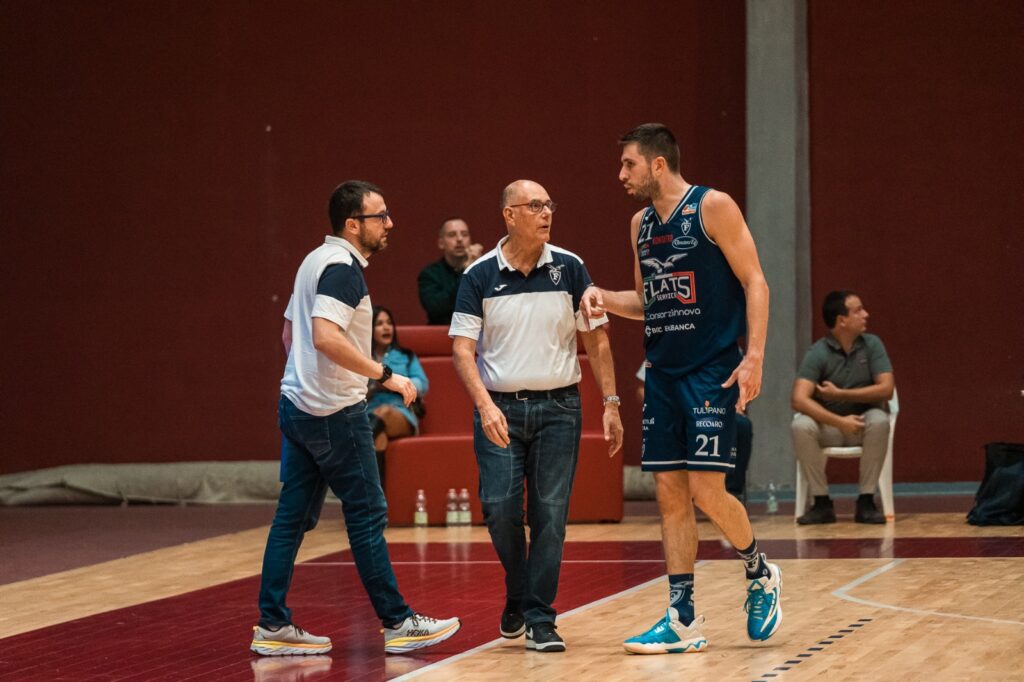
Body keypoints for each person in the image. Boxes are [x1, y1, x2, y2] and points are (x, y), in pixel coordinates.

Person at [581, 123, 782, 653]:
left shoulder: (713, 206)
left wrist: (755, 355)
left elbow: (755, 280)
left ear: (658, 165)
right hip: (663, 376)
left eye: (628, 164)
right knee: (670, 496)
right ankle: (682, 616)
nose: (621, 174)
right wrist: (603, 297)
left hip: (711, 371)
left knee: (706, 491)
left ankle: (760, 572)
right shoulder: (639, 226)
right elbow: (649, 302)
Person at [251, 180, 460, 657]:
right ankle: (399, 621)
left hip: (297, 406)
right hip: (335, 414)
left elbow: (290, 334)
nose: (390, 224)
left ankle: (272, 624)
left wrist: (305, 381)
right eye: (380, 216)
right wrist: (383, 374)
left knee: (291, 519)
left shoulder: (312, 261)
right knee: (367, 514)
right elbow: (323, 336)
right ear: (353, 224)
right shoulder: (343, 268)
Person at [450, 180, 624, 653]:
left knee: (550, 515)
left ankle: (541, 618)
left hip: (560, 409)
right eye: (535, 205)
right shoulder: (479, 275)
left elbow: (598, 338)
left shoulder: (570, 268)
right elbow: (463, 351)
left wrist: (611, 403)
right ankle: (519, 592)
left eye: (550, 204)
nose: (546, 213)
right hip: (500, 408)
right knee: (500, 509)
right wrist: (484, 405)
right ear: (509, 215)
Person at [791, 290, 894, 525]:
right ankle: (821, 502)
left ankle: (867, 500)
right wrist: (839, 422)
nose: (865, 314)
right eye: (858, 310)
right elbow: (798, 399)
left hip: (862, 425)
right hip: (831, 428)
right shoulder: (817, 353)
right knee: (800, 425)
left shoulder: (872, 345)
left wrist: (841, 394)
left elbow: (886, 389)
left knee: (879, 420)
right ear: (842, 320)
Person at [637, 361, 752, 500]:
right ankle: (681, 491)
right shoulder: (663, 345)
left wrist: (739, 403)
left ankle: (732, 492)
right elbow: (642, 389)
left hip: (717, 408)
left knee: (741, 424)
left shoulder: (725, 345)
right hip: (677, 409)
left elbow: (744, 385)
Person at [367, 306, 428, 480]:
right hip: (369, 410)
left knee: (384, 411)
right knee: (379, 439)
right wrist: (373, 387)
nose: (386, 328)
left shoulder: (406, 356)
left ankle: (353, 450)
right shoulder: (362, 358)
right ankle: (379, 502)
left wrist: (395, 384)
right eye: (379, 324)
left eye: (389, 323)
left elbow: (422, 385)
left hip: (400, 412)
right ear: (369, 329)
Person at [417, 217, 483, 325]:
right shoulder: (429, 274)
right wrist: (466, 272)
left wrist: (478, 267)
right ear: (441, 243)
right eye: (452, 235)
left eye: (464, 234)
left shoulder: (482, 270)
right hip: (442, 335)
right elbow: (436, 308)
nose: (459, 239)